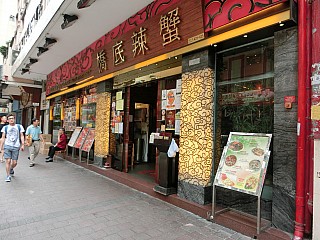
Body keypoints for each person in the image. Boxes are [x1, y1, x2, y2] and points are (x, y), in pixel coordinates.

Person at [0, 114, 25, 182]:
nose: (11, 119)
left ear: (14, 119)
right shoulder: (5, 128)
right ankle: (8, 176)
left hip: (16, 146)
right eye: (10, 118)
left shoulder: (19, 126)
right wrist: (1, 147)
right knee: (8, 161)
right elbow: (3, 138)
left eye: (13, 118)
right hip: (7, 146)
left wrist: (23, 144)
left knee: (14, 162)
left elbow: (22, 136)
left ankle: (11, 168)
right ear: (8, 120)